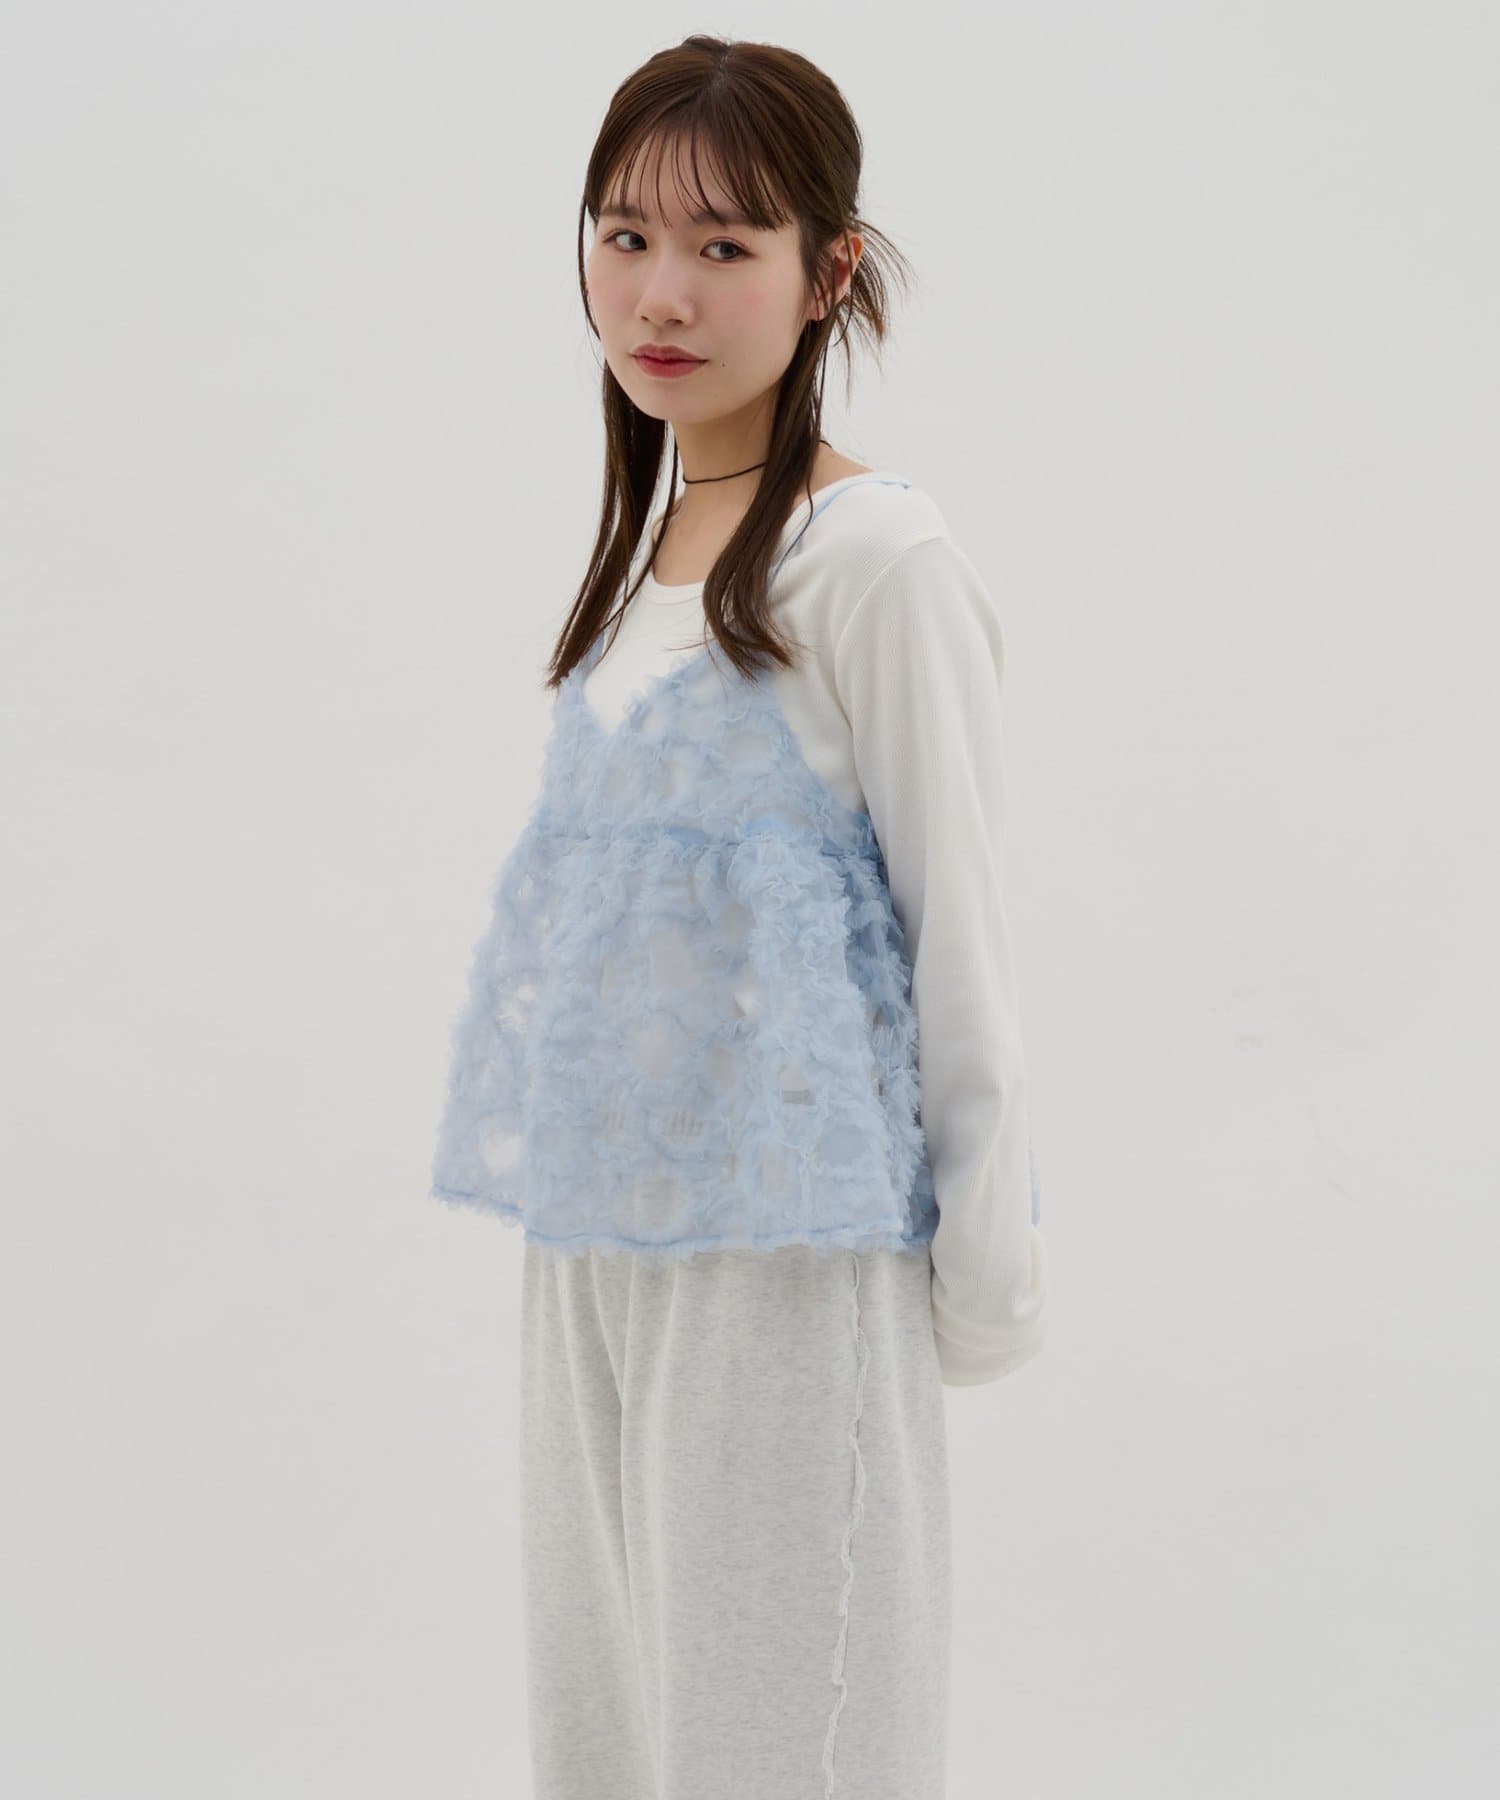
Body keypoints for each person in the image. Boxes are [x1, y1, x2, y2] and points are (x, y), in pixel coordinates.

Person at [430, 33, 1050, 1800]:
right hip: (593, 1261)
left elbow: (958, 936)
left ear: (828, 270)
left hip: (788, 1263)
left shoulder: (879, 559)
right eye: (625, 236)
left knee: (785, 1749)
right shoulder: (644, 565)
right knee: (610, 1746)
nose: (662, 295)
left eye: (725, 245)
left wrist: (983, 1285)